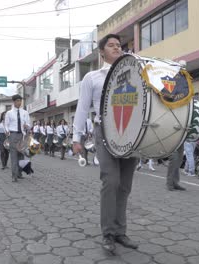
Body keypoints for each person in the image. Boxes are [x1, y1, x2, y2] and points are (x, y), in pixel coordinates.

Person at [72, 34, 139, 252]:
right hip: (105, 132)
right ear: (101, 52)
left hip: (130, 132)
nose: (116, 48)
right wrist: (76, 138)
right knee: (111, 182)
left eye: (119, 45)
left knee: (125, 186)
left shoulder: (134, 72)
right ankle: (108, 234)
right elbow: (82, 109)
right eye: (111, 45)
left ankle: (121, 232)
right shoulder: (92, 77)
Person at [4, 94, 30, 182]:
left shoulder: (25, 112)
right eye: (18, 101)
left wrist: (27, 126)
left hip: (22, 136)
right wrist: (7, 131)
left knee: (21, 156)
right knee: (14, 156)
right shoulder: (9, 113)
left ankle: (19, 173)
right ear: (14, 102)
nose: (19, 102)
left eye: (20, 101)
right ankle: (14, 176)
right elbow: (6, 125)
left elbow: (29, 124)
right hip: (13, 135)